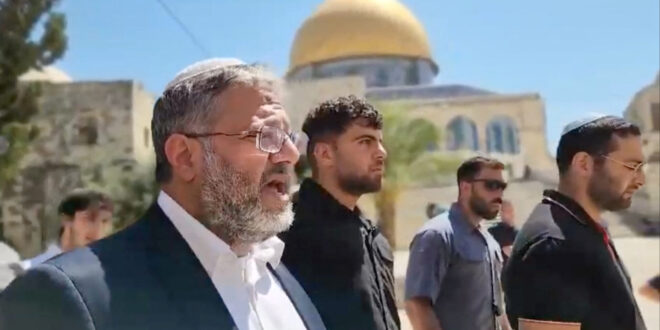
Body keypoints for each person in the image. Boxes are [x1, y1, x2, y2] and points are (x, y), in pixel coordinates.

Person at [0, 59, 325, 330]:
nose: (290, 154)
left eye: (288, 137)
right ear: (184, 156)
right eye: (265, 135)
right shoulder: (69, 298)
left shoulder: (281, 278)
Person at [503, 115, 647, 330]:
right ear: (583, 164)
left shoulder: (583, 227)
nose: (641, 179)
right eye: (631, 166)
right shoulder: (553, 246)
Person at [280, 96, 400, 330]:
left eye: (380, 141)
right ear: (325, 154)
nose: (381, 153)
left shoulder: (374, 238)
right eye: (365, 141)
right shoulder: (284, 234)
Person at [405, 156, 511, 330]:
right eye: (491, 186)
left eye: (502, 187)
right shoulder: (437, 235)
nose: (499, 195)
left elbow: (498, 309)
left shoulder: (490, 242)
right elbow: (417, 305)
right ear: (465, 187)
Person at [20, 188, 114, 270]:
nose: (98, 230)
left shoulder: (110, 277)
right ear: (67, 219)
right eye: (89, 218)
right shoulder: (28, 272)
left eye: (104, 221)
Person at [487, 200, 518, 264]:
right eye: (508, 211)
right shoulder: (492, 232)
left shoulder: (517, 233)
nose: (512, 214)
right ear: (501, 213)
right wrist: (501, 250)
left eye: (512, 211)